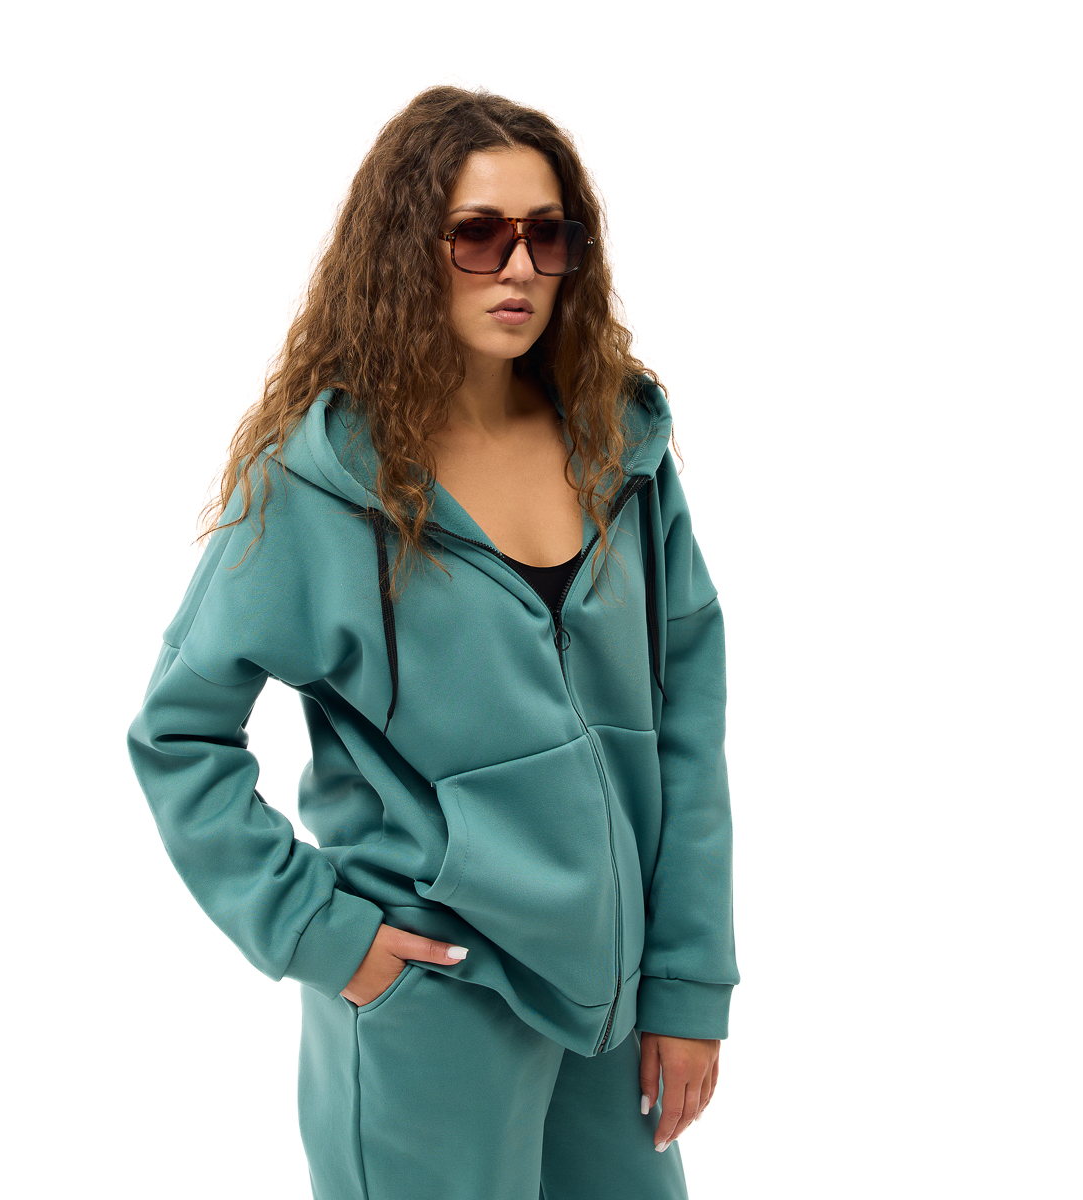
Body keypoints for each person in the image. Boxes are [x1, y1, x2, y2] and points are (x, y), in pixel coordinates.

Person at [127, 84, 739, 1200]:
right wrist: (320, 932)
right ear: (410, 248)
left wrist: (689, 983)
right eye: (479, 235)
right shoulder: (322, 485)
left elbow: (688, 723)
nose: (519, 268)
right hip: (433, 994)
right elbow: (179, 735)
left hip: (612, 1004)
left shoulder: (620, 449)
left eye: (547, 236)